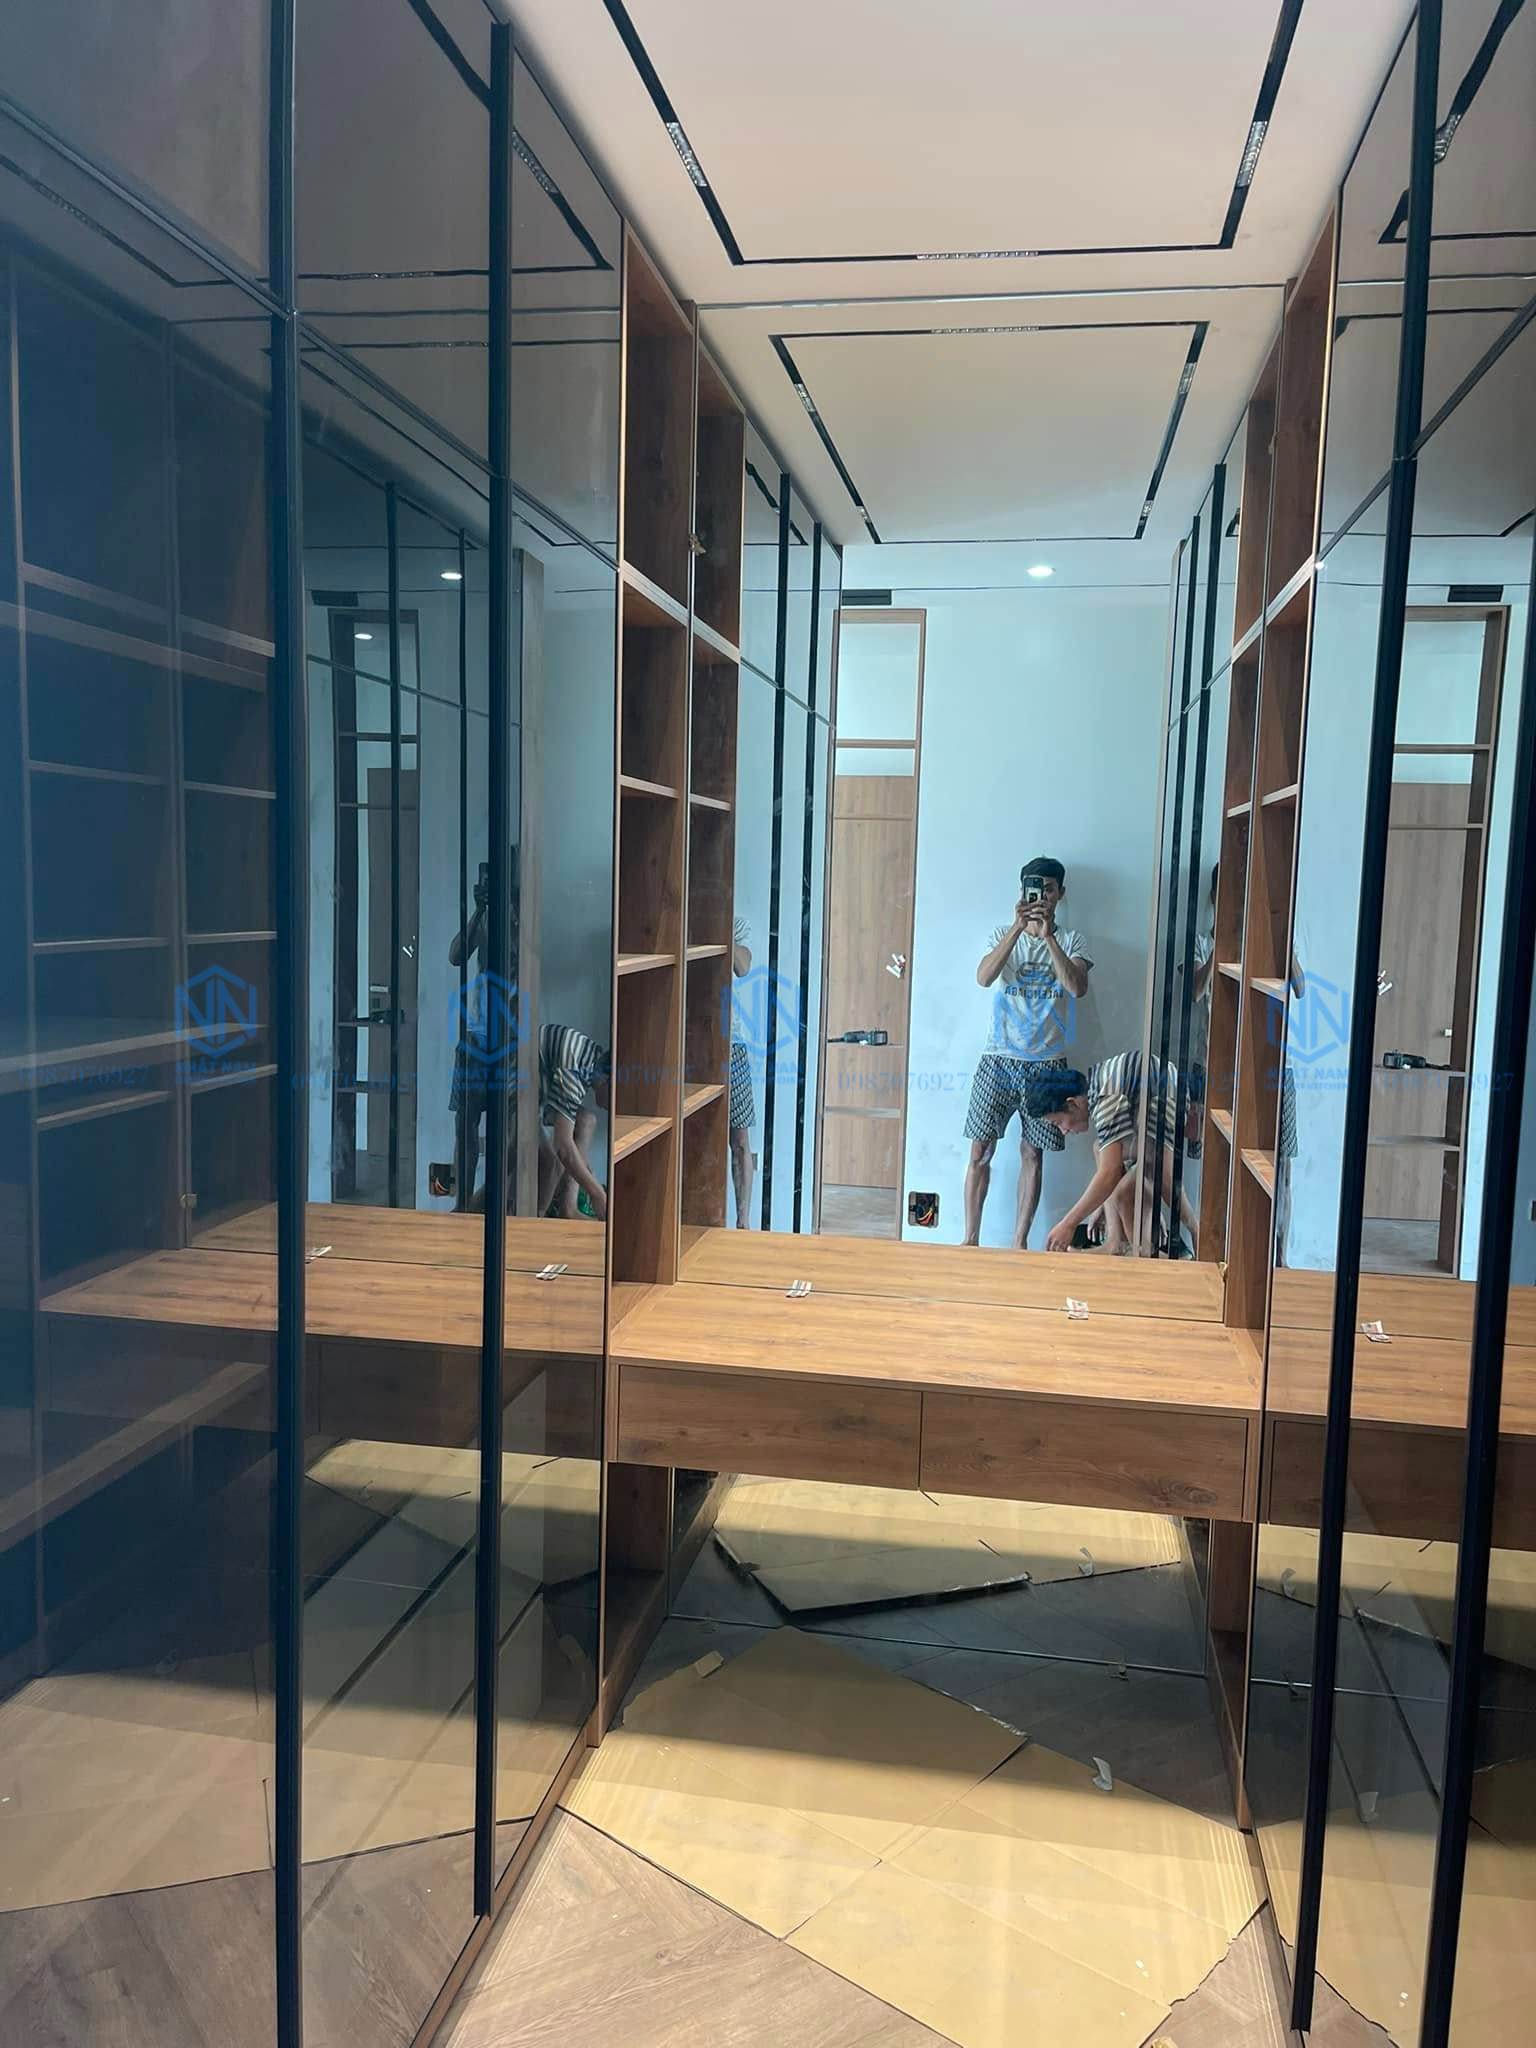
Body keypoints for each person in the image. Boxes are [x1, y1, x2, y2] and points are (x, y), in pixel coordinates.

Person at [962, 856, 1092, 1248]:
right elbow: (984, 977)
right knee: (980, 1150)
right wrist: (1019, 928)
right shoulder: (1003, 933)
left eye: (1048, 890)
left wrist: (1048, 937)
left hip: (1047, 1063)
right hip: (998, 1058)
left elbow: (1077, 988)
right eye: (1034, 889)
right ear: (1022, 892)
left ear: (1060, 894)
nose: (1041, 897)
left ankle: (1019, 1243)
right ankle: (970, 1240)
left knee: (1032, 1153)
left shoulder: (1072, 940)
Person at [1026, 1052, 1200, 1255]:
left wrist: (1068, 1224)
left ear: (1072, 1103)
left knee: (1122, 1191)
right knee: (1100, 1149)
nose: (1063, 1131)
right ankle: (1116, 1243)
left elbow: (1119, 1173)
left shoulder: (1106, 1097)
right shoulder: (1098, 1082)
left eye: (1058, 1123)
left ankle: (1143, 1252)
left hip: (1169, 1096)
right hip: (1154, 1107)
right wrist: (1098, 1204)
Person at [538, 1022, 610, 1222]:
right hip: (512, 1092)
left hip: (536, 1091)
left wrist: (584, 1168)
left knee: (587, 1121)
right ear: (607, 1081)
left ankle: (568, 1207)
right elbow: (562, 1146)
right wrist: (597, 1193)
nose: (612, 1107)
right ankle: (537, 1217)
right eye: (616, 1097)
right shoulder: (576, 1071)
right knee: (551, 1159)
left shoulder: (591, 1057)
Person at [729, 915, 756, 1229]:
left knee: (739, 1137)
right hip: (688, 1042)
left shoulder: (735, 923)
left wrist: (719, 923)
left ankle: (743, 1223)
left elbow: (743, 967)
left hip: (731, 1043)